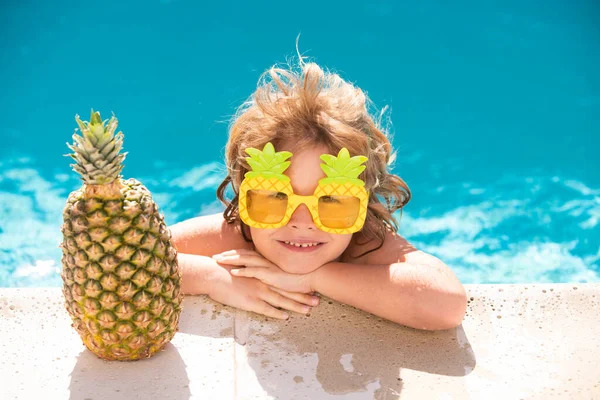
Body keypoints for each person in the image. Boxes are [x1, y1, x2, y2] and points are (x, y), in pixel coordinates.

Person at [170, 56, 467, 330]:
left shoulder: (365, 243)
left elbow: (446, 305)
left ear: (362, 206)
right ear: (244, 197)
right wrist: (212, 278)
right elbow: (125, 258)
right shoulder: (237, 237)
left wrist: (313, 278)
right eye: (275, 196)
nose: (302, 220)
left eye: (332, 200)